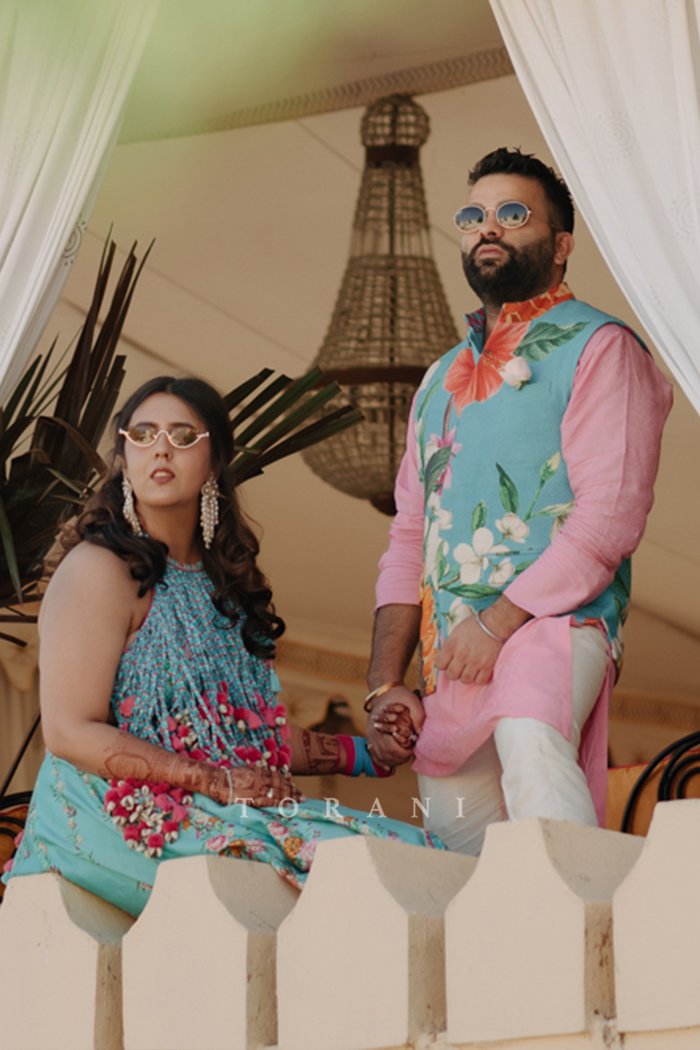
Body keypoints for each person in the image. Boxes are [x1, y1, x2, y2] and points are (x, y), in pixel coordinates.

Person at [3, 376, 443, 916]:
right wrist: (217, 781)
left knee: (407, 852)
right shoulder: (98, 569)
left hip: (219, 803)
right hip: (109, 811)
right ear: (124, 458)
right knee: (339, 865)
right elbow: (69, 731)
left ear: (214, 462)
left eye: (183, 435)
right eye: (143, 434)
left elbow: (244, 737)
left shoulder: (225, 585)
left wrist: (367, 754)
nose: (161, 448)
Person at [365, 147, 673, 855]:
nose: (487, 228)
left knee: (533, 748)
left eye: (512, 213)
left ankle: (589, 924)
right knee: (461, 858)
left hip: (552, 625)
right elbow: (409, 537)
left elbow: (608, 521)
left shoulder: (601, 347)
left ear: (561, 245)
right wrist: (384, 687)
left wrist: (497, 624)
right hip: (451, 656)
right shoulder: (440, 378)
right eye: (472, 215)